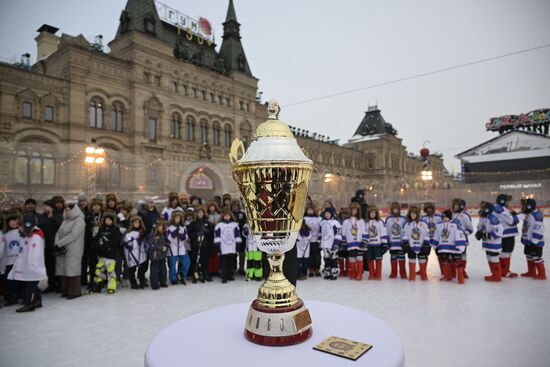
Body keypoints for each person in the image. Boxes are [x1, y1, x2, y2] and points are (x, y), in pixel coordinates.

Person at [8, 213, 47, 312]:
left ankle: (29, 304)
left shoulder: (35, 237)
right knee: (32, 284)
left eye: (20, 226)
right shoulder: (29, 234)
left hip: (33, 266)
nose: (19, 228)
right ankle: (37, 301)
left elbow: (35, 253)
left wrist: (32, 265)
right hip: (29, 265)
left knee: (30, 285)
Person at [54, 203, 86, 299]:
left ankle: (74, 292)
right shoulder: (65, 221)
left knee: (72, 269)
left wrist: (59, 243)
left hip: (74, 249)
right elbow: (58, 233)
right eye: (66, 210)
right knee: (64, 269)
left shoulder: (80, 221)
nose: (67, 211)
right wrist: (57, 242)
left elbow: (73, 235)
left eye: (69, 210)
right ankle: (66, 291)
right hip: (63, 248)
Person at [432, 209, 467, 284]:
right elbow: (436, 236)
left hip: (454, 248)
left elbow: (460, 235)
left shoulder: (455, 225)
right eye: (443, 217)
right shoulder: (439, 226)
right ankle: (447, 276)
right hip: (443, 248)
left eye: (446, 217)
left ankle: (461, 278)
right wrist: (434, 245)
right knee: (445, 261)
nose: (444, 219)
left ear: (450, 217)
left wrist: (460, 246)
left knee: (457, 262)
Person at [90, 211, 121, 294]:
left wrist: (107, 247)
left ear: (112, 221)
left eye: (109, 220)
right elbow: (96, 240)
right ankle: (98, 286)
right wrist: (97, 247)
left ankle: (111, 287)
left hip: (111, 255)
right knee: (98, 271)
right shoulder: (101, 229)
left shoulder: (115, 229)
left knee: (110, 271)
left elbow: (115, 242)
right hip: (101, 255)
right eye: (106, 220)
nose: (108, 221)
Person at [38, 199, 63, 293]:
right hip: (45, 244)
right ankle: (51, 284)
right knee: (49, 266)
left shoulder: (59, 215)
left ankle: (60, 284)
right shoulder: (42, 216)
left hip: (56, 244)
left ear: (51, 207)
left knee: (57, 265)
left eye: (46, 206)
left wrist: (52, 218)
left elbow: (61, 227)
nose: (44, 207)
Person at [475, 202, 504, 282]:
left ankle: (497, 276)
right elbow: (481, 226)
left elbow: (499, 231)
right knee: (489, 257)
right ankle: (494, 274)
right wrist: (479, 232)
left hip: (494, 243)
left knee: (494, 257)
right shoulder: (483, 217)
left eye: (482, 208)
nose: (480, 210)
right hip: (487, 243)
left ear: (487, 210)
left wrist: (488, 235)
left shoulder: (493, 218)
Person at [494, 194, 520, 278]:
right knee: (505, 252)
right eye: (506, 201)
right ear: (502, 201)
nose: (508, 202)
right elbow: (511, 221)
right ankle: (504, 271)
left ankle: (505, 270)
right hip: (506, 234)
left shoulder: (504, 208)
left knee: (508, 252)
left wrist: (513, 213)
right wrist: (516, 216)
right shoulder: (500, 209)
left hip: (509, 234)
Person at [402, 206, 430, 281]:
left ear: (417, 214)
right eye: (411, 214)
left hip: (421, 246)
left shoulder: (423, 223)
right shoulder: (407, 224)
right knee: (412, 260)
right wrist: (406, 244)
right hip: (411, 246)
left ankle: (424, 277)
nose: (413, 215)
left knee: (422, 260)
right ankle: (412, 277)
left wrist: (426, 244)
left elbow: (427, 234)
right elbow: (404, 235)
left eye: (414, 214)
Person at [520, 198, 546, 280]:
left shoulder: (536, 215)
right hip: (528, 241)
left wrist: (535, 240)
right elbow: (526, 227)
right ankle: (531, 272)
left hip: (535, 241)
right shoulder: (528, 214)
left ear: (529, 206)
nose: (523, 207)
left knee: (536, 257)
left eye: (525, 205)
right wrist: (524, 238)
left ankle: (542, 274)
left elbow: (539, 228)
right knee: (529, 256)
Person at [214, 208, 241, 283]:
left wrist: (238, 244)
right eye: (225, 216)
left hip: (232, 246)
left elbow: (237, 235)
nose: (227, 217)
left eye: (228, 216)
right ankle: (224, 277)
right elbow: (217, 236)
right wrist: (217, 246)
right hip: (223, 247)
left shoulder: (234, 224)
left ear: (230, 216)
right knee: (224, 263)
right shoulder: (219, 225)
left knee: (231, 262)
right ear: (223, 216)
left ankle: (230, 275)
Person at [188, 207, 215, 283]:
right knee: (195, 260)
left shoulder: (207, 222)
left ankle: (205, 275)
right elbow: (190, 234)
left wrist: (206, 231)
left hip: (205, 245)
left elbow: (211, 233)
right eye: (199, 213)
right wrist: (197, 234)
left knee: (204, 260)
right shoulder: (193, 223)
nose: (201, 214)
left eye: (202, 212)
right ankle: (195, 275)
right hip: (196, 245)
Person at [2, 213, 24, 306]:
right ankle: (12, 298)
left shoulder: (22, 232)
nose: (12, 223)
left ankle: (23, 296)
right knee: (9, 281)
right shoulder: (5, 234)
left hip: (21, 260)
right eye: (10, 221)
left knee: (22, 280)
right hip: (9, 261)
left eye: (14, 220)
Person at [342, 202, 365, 280]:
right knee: (352, 258)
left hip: (359, 243)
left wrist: (364, 241)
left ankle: (359, 274)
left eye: (356, 210)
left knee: (359, 258)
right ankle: (353, 273)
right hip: (350, 243)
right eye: (353, 210)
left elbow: (364, 232)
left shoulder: (361, 221)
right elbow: (343, 233)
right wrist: (344, 242)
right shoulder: (346, 221)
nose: (354, 211)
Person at [123, 216, 148, 289]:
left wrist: (142, 239)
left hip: (141, 253)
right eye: (135, 222)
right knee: (132, 269)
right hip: (132, 254)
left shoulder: (143, 232)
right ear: (132, 223)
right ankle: (133, 283)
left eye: (139, 222)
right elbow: (128, 244)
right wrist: (136, 241)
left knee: (142, 269)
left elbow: (146, 242)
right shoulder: (128, 233)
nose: (137, 224)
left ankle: (142, 282)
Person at [364, 205, 388, 280]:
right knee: (370, 259)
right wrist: (364, 242)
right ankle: (371, 274)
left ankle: (378, 275)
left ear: (376, 213)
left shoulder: (380, 222)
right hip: (369, 245)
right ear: (368, 214)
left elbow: (383, 232)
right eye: (371, 213)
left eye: (374, 213)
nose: (372, 214)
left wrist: (384, 243)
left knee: (378, 259)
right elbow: (365, 233)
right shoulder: (366, 223)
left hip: (378, 245)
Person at [83, 198, 103, 289]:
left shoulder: (103, 216)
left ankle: (101, 280)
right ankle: (91, 280)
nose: (96, 207)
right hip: (91, 243)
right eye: (94, 205)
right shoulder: (88, 217)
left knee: (101, 263)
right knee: (92, 263)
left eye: (98, 205)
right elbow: (85, 230)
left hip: (101, 243)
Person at [451, 198, 473, 279]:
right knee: (453, 256)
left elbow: (470, 229)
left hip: (462, 240)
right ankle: (453, 272)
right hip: (452, 240)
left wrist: (463, 234)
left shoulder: (465, 216)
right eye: (453, 205)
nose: (454, 206)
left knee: (462, 255)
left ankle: (462, 271)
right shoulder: (452, 214)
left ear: (461, 206)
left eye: (456, 205)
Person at [385, 202, 407, 279]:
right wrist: (387, 241)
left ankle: (403, 273)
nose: (395, 210)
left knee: (401, 257)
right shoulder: (388, 219)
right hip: (392, 243)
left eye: (396, 208)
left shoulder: (403, 219)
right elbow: (386, 230)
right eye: (393, 209)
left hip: (401, 243)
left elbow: (406, 230)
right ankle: (393, 273)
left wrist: (405, 241)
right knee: (393, 257)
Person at [166, 210, 189, 285]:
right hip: (172, 249)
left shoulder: (183, 227)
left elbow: (186, 237)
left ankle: (182, 274)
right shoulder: (170, 227)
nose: (178, 219)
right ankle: (173, 278)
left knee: (186, 262)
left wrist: (181, 236)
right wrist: (174, 233)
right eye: (176, 218)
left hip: (181, 248)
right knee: (172, 265)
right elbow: (168, 238)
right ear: (173, 218)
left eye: (179, 218)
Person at [421, 202, 442, 276]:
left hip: (437, 239)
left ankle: (443, 270)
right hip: (427, 239)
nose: (429, 210)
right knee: (424, 254)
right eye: (427, 208)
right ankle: (422, 270)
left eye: (430, 208)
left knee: (440, 254)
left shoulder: (438, 217)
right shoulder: (423, 218)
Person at [146, 220, 169, 290]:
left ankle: (163, 282)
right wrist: (160, 248)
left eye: (162, 226)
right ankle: (154, 284)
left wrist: (166, 246)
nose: (161, 227)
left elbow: (167, 241)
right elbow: (150, 245)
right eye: (159, 226)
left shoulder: (164, 234)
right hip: (154, 256)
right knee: (154, 270)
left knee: (163, 269)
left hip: (162, 256)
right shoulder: (152, 235)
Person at [320, 208, 342, 280]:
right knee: (326, 259)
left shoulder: (335, 222)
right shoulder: (322, 222)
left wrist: (336, 244)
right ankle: (327, 272)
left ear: (331, 214)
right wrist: (319, 242)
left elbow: (338, 234)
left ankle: (334, 273)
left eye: (328, 214)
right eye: (326, 214)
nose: (327, 215)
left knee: (333, 259)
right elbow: (321, 234)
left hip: (332, 244)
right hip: (324, 245)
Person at [303, 205, 322, 277]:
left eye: (311, 210)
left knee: (317, 256)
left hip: (317, 240)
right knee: (309, 256)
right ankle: (310, 269)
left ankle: (317, 269)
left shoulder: (319, 219)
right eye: (308, 210)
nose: (310, 211)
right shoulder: (304, 218)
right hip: (308, 241)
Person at [230, 199, 247, 276]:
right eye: (233, 206)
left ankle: (241, 268)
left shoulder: (242, 213)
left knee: (242, 253)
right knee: (233, 253)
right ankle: (233, 268)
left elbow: (245, 222)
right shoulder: (230, 214)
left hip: (241, 235)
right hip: (232, 236)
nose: (235, 207)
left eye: (236, 206)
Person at [206, 202, 221, 278]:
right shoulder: (207, 216)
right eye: (210, 207)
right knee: (210, 255)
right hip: (210, 237)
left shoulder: (219, 215)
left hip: (218, 235)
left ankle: (216, 269)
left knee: (216, 255)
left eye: (213, 207)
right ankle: (210, 270)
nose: (212, 208)